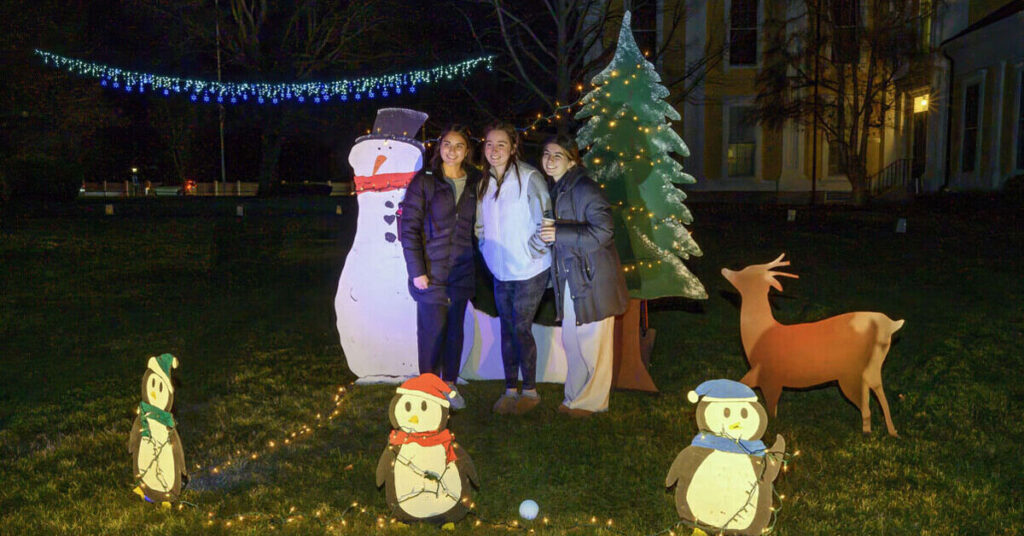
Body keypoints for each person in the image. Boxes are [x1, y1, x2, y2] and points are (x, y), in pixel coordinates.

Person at [538, 135, 628, 417]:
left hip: (593, 279)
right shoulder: (558, 189)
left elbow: (603, 231)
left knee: (593, 342)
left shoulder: (585, 188)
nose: (550, 161)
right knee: (573, 340)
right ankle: (575, 395)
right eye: (546, 154)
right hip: (572, 277)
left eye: (557, 156)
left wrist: (560, 232)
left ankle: (593, 401)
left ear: (572, 160)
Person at [400, 124, 481, 410]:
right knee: (432, 333)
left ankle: (449, 386)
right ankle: (427, 389)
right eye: (447, 144)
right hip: (431, 273)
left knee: (454, 332)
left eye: (459, 146)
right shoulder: (425, 181)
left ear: (467, 151)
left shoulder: (476, 182)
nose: (452, 150)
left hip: (461, 271)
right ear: (439, 147)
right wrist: (416, 270)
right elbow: (408, 227)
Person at [475, 122, 552, 415]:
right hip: (500, 270)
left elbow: (547, 219)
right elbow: (480, 225)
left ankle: (530, 390)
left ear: (513, 147)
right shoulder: (484, 183)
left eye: (501, 145)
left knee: (520, 327)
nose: (494, 151)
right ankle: (509, 389)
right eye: (489, 145)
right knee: (506, 328)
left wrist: (531, 252)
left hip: (530, 269)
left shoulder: (530, 178)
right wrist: (487, 251)